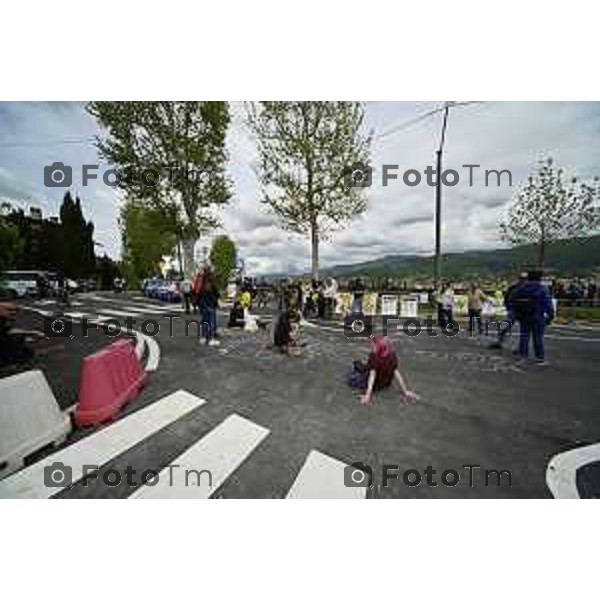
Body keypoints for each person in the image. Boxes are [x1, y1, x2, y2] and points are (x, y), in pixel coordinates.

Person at [349, 335, 419, 405]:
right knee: (364, 366)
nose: (371, 345)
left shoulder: (374, 357)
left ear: (377, 348)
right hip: (386, 384)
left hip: (375, 386)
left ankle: (359, 368)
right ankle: (364, 366)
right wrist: (405, 391)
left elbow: (372, 377)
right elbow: (397, 373)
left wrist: (368, 395)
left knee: (354, 371)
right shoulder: (392, 356)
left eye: (373, 345)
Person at [512, 270, 555, 364]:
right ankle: (539, 357)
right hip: (538, 315)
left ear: (528, 278)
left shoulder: (521, 288)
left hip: (523, 315)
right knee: (538, 337)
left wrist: (517, 313)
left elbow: (513, 299)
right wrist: (550, 316)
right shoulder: (542, 289)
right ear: (539, 278)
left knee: (524, 336)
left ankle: (522, 355)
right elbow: (548, 304)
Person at [489, 272, 527, 350]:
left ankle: (521, 348)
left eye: (524, 279)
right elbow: (507, 297)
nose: (523, 280)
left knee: (523, 331)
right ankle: (499, 342)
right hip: (514, 310)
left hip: (523, 312)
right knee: (505, 327)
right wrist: (508, 306)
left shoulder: (527, 288)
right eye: (522, 279)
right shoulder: (514, 287)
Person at [197, 270, 220, 346]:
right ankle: (211, 339)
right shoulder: (212, 286)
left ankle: (203, 338)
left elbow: (199, 296)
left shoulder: (202, 286)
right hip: (211, 306)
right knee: (212, 323)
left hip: (203, 307)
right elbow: (217, 295)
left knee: (205, 322)